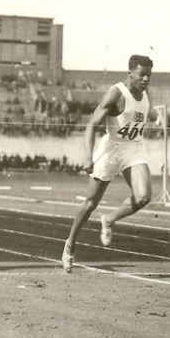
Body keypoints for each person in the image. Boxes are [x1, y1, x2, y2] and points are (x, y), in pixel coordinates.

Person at [61, 55, 154, 274]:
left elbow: (139, 114)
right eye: (142, 74)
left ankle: (109, 219)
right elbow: (91, 125)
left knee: (144, 197)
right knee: (90, 203)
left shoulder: (146, 93)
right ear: (130, 72)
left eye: (149, 75)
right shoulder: (116, 93)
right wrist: (87, 157)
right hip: (111, 149)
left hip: (133, 148)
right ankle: (69, 245)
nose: (146, 79)